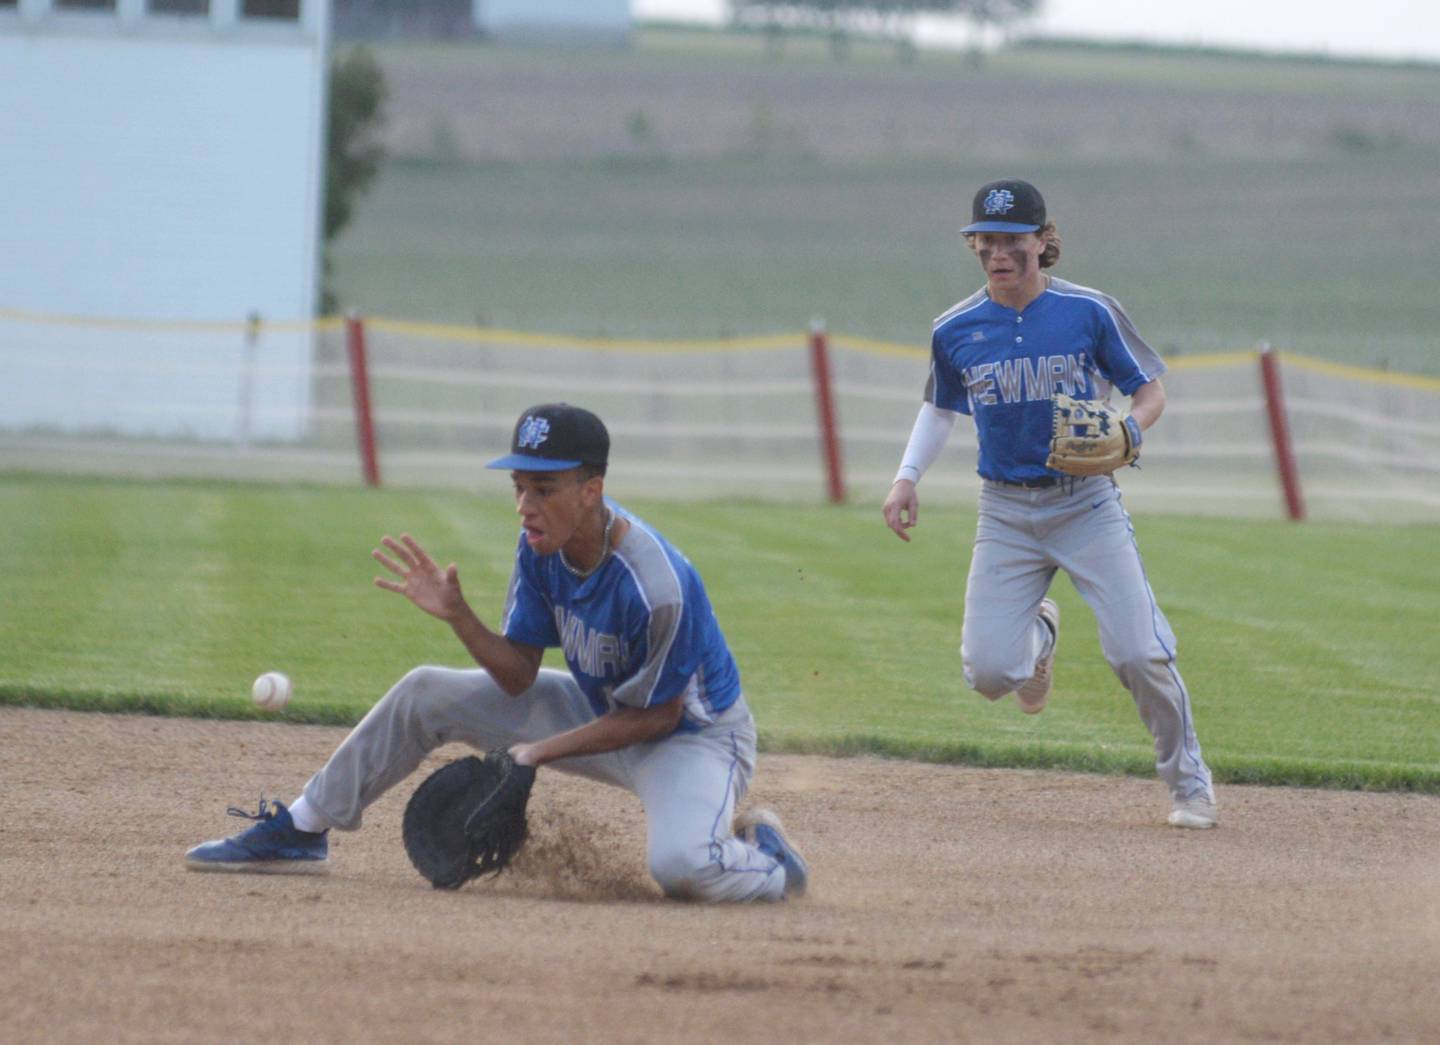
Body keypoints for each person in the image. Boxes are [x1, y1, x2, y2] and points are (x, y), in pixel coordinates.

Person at [187, 403, 809, 900]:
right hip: (603, 715)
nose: (525, 506)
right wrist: (459, 616)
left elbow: (657, 717)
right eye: (519, 487)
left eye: (544, 488)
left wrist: (536, 753)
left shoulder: (657, 585)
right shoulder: (539, 546)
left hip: (693, 740)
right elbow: (517, 676)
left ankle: (772, 861)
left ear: (591, 490)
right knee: (426, 690)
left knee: (683, 867)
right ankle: (301, 828)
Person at [881, 178, 1217, 829]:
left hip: (1085, 503)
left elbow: (1148, 390)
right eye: (985, 238)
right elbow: (940, 407)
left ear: (1042, 240)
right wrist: (905, 477)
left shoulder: (1088, 311)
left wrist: (1131, 429)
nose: (995, 251)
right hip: (1005, 511)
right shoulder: (955, 328)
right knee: (988, 671)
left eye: (1011, 239)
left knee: (1139, 652)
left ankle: (1189, 782)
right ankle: (1041, 639)